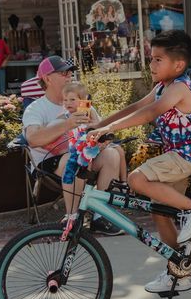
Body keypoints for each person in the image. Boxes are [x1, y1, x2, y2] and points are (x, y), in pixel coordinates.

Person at [90, 30, 191, 294]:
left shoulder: (180, 87)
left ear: (178, 65)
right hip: (177, 156)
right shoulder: (162, 87)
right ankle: (179, 272)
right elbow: (138, 106)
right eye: (151, 59)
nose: (151, 64)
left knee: (137, 178)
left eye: (158, 59)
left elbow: (150, 113)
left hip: (190, 154)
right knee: (161, 213)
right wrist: (99, 125)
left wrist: (109, 128)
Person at [21, 57, 121, 215]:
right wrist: (67, 124)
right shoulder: (36, 108)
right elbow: (32, 139)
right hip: (48, 162)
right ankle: (72, 217)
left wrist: (100, 137)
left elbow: (99, 128)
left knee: (111, 154)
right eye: (64, 73)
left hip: (83, 154)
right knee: (73, 159)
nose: (70, 76)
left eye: (70, 73)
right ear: (47, 79)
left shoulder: (81, 104)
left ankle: (102, 216)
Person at [62, 80, 127, 185]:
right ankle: (88, 175)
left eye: (72, 99)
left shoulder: (87, 109)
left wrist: (91, 123)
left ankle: (124, 181)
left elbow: (98, 124)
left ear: (83, 100)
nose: (68, 103)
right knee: (85, 154)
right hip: (81, 144)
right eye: (65, 100)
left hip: (95, 138)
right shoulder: (67, 115)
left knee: (119, 149)